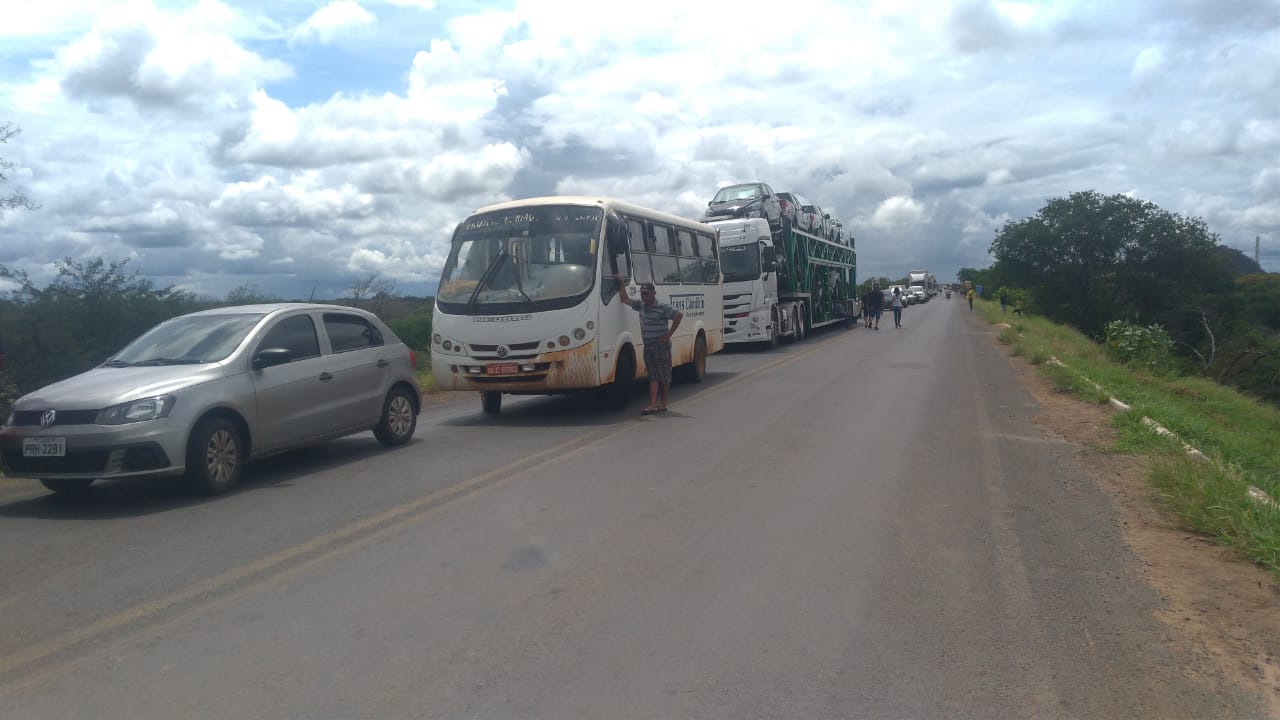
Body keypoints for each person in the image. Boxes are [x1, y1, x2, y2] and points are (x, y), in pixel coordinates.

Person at [614, 275, 683, 415]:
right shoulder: (641, 306)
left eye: (646, 293)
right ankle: (653, 404)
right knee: (652, 375)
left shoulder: (662, 307)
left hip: (660, 346)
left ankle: (662, 403)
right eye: (642, 294)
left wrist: (668, 335)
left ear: (653, 294)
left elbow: (678, 315)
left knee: (664, 376)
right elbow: (625, 299)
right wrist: (621, 283)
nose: (644, 296)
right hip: (648, 345)